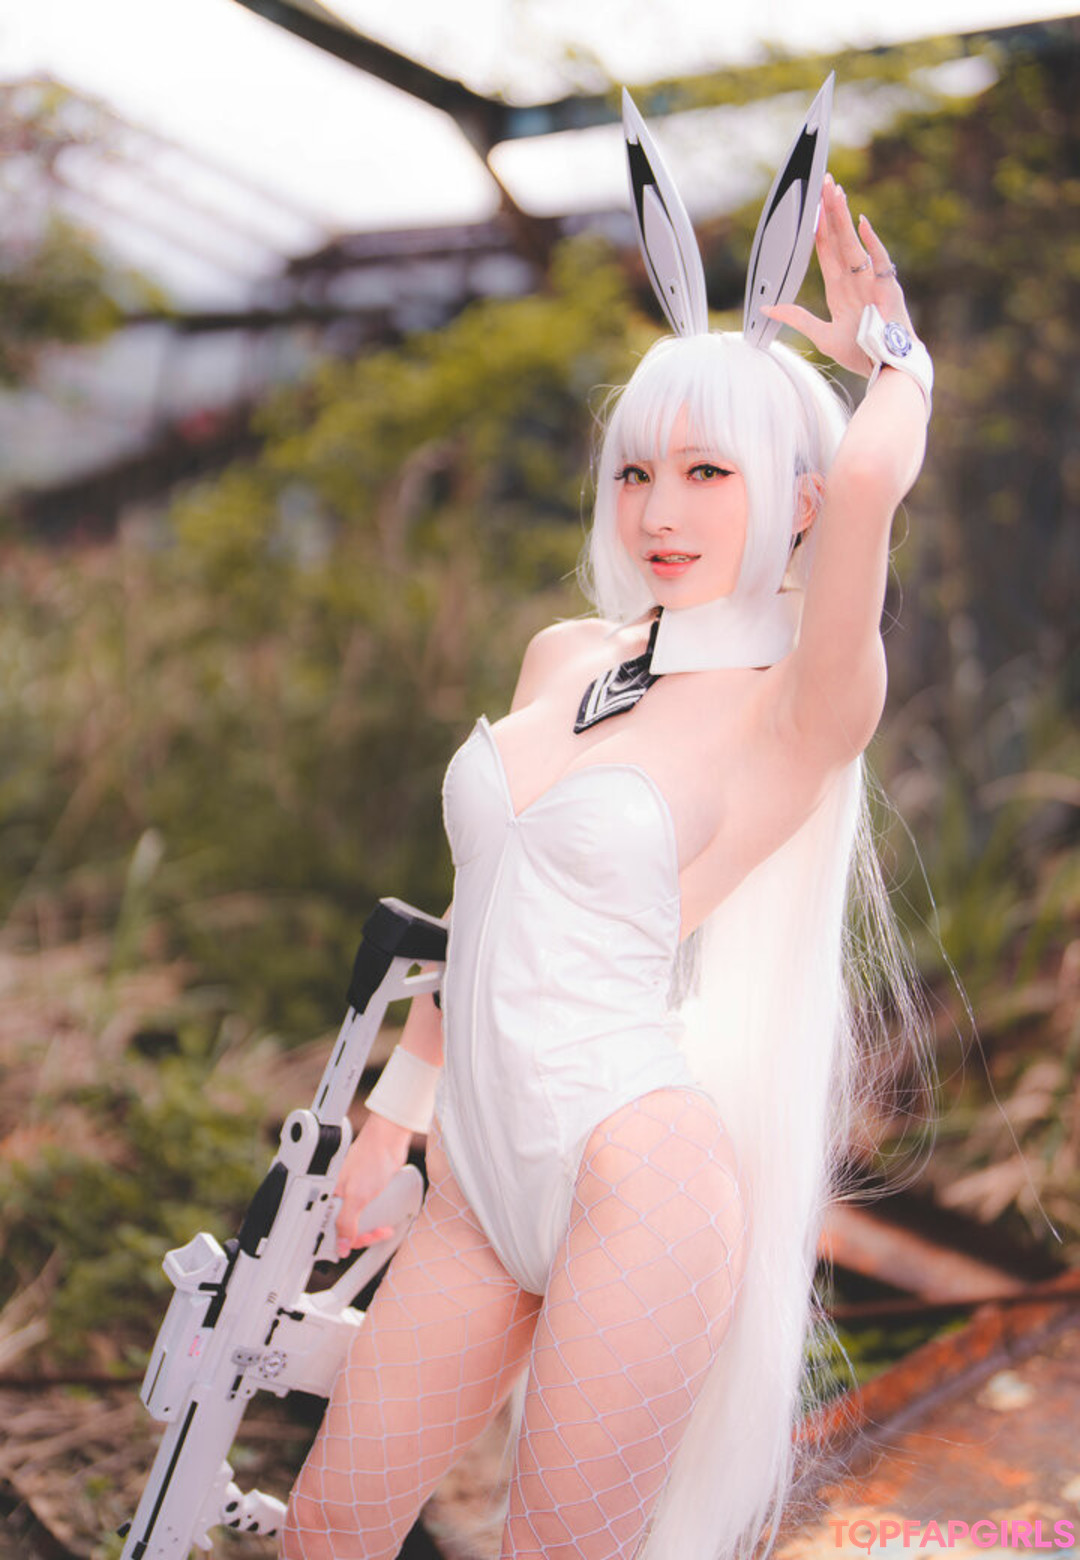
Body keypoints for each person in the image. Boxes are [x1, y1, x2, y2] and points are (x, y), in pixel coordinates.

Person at [280, 149, 933, 1560]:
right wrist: (396, 1114)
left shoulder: (799, 704)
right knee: (326, 1526)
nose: (659, 513)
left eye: (709, 472)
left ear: (798, 499)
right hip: (474, 1178)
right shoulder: (566, 655)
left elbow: (875, 476)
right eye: (637, 470)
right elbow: (484, 904)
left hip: (635, 1174)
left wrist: (890, 356)